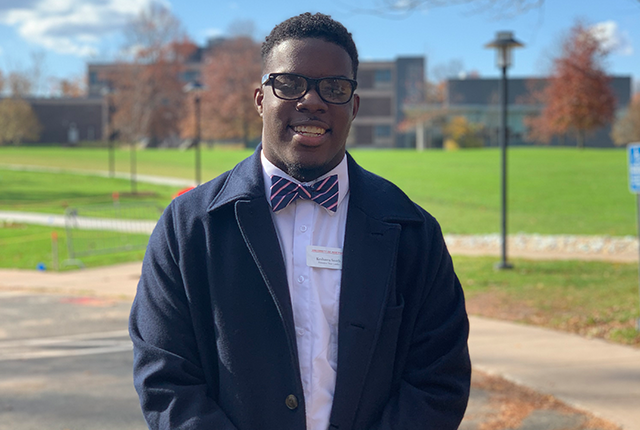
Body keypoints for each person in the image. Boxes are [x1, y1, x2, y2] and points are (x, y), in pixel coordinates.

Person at [129, 12, 471, 430]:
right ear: (260, 99)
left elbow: (438, 378)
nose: (312, 100)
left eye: (334, 87)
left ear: (354, 105)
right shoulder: (187, 228)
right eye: (289, 84)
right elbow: (166, 379)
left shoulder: (413, 233)